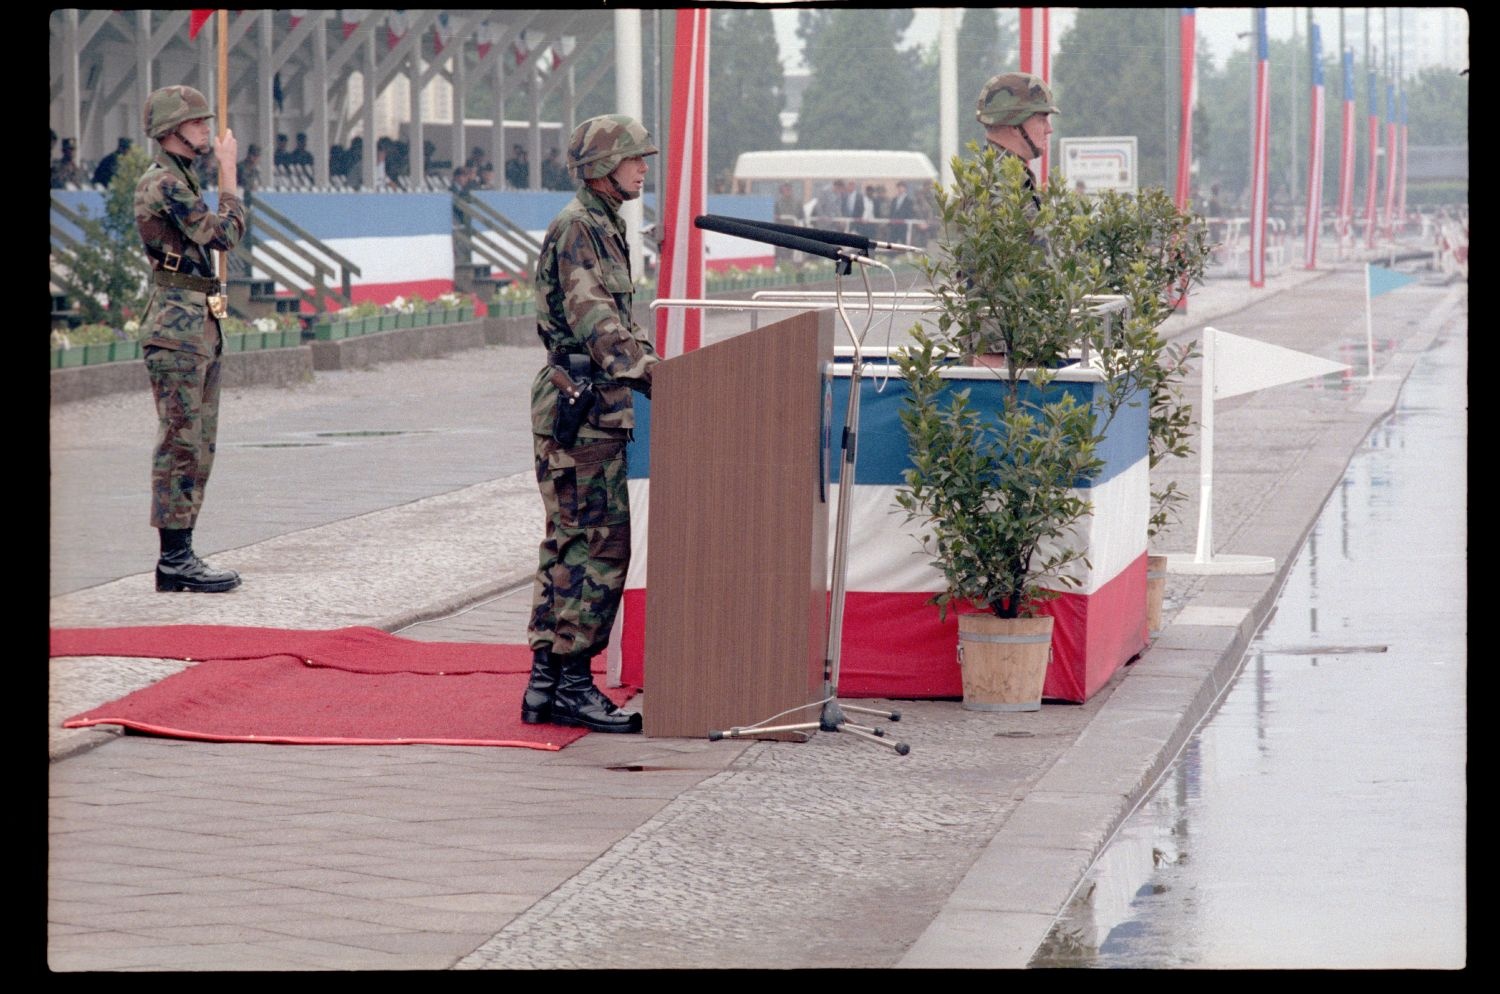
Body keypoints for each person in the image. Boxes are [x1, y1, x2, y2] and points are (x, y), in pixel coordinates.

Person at [523, 114, 661, 734]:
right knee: (595, 547)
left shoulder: (602, 224)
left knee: (571, 542)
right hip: (581, 406)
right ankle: (572, 685)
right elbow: (598, 323)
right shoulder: (581, 227)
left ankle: (547, 685)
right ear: (603, 167)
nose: (642, 167)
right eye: (633, 158)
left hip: (589, 401)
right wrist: (661, 377)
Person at [134, 85, 246, 593]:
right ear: (173, 131)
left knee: (200, 443)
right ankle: (174, 561)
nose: (206, 130)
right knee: (180, 442)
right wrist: (230, 173)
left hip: (196, 320)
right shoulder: (163, 183)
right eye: (198, 123)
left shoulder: (180, 178)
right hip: (176, 327)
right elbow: (223, 234)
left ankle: (183, 554)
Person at [974, 71, 1059, 214]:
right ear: (1014, 124)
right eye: (1042, 119)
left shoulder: (1000, 176)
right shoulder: (997, 184)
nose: (1049, 129)